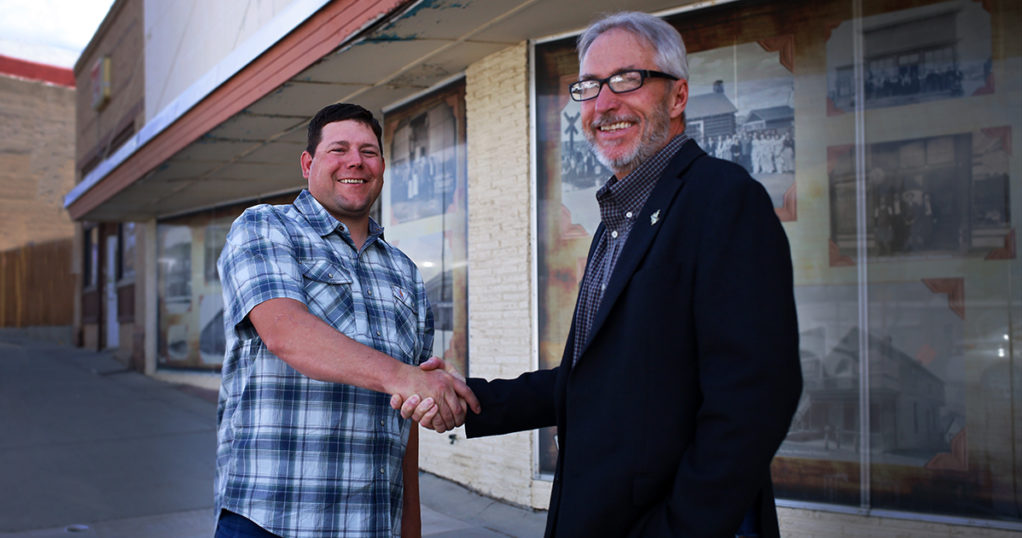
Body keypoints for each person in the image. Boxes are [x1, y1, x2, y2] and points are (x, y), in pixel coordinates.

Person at [395, 12, 802, 537]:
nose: (604, 103)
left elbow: (755, 399)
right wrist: (473, 402)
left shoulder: (723, 200)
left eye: (627, 80)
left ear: (677, 97)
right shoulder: (620, 216)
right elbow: (598, 380)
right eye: (589, 86)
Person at [214, 103, 480, 538]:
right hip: (271, 520)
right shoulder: (266, 227)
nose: (355, 161)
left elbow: (406, 415)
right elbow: (287, 333)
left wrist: (409, 527)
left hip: (371, 524)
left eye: (369, 152)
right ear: (308, 164)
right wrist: (404, 377)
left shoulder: (405, 273)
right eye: (338, 149)